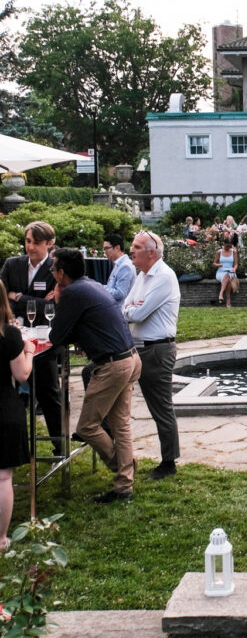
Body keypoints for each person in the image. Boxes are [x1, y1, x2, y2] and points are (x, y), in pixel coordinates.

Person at [49, 249, 141, 503]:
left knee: (87, 427)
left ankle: (125, 467)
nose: (53, 274)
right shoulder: (90, 285)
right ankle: (124, 486)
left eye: (53, 270)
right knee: (120, 425)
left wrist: (58, 301)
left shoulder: (71, 293)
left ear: (61, 274)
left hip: (113, 366)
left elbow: (56, 337)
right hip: (130, 358)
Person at [0, 220, 62, 455]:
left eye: (36, 242)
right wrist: (27, 300)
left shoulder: (56, 268)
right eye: (28, 241)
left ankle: (58, 446)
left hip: (44, 340)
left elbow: (53, 305)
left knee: (48, 394)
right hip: (13, 339)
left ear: (49, 243)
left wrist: (20, 298)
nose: (31, 247)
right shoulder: (12, 264)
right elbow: (2, 298)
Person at [123, 230, 181, 481]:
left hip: (157, 350)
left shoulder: (164, 276)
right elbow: (126, 306)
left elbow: (136, 314)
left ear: (151, 252)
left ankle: (169, 462)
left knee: (161, 408)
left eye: (136, 247)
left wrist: (132, 308)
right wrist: (132, 308)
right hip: (138, 348)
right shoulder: (142, 275)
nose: (131, 250)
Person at [0, 281, 34, 547]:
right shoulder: (9, 335)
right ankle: (0, 539)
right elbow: (21, 374)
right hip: (4, 408)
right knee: (3, 477)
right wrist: (30, 352)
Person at [103, 233, 136, 307]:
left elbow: (120, 293)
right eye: (104, 249)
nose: (105, 252)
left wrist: (101, 288)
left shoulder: (125, 266)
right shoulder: (119, 263)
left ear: (117, 248)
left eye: (107, 248)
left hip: (120, 312)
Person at [212, 240, 238, 307]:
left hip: (231, 271)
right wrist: (218, 265)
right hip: (221, 272)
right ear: (224, 244)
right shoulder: (219, 252)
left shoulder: (234, 252)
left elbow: (236, 264)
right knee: (227, 278)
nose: (228, 247)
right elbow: (214, 263)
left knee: (227, 275)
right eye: (227, 246)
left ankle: (221, 294)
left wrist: (234, 269)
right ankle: (228, 300)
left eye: (230, 246)